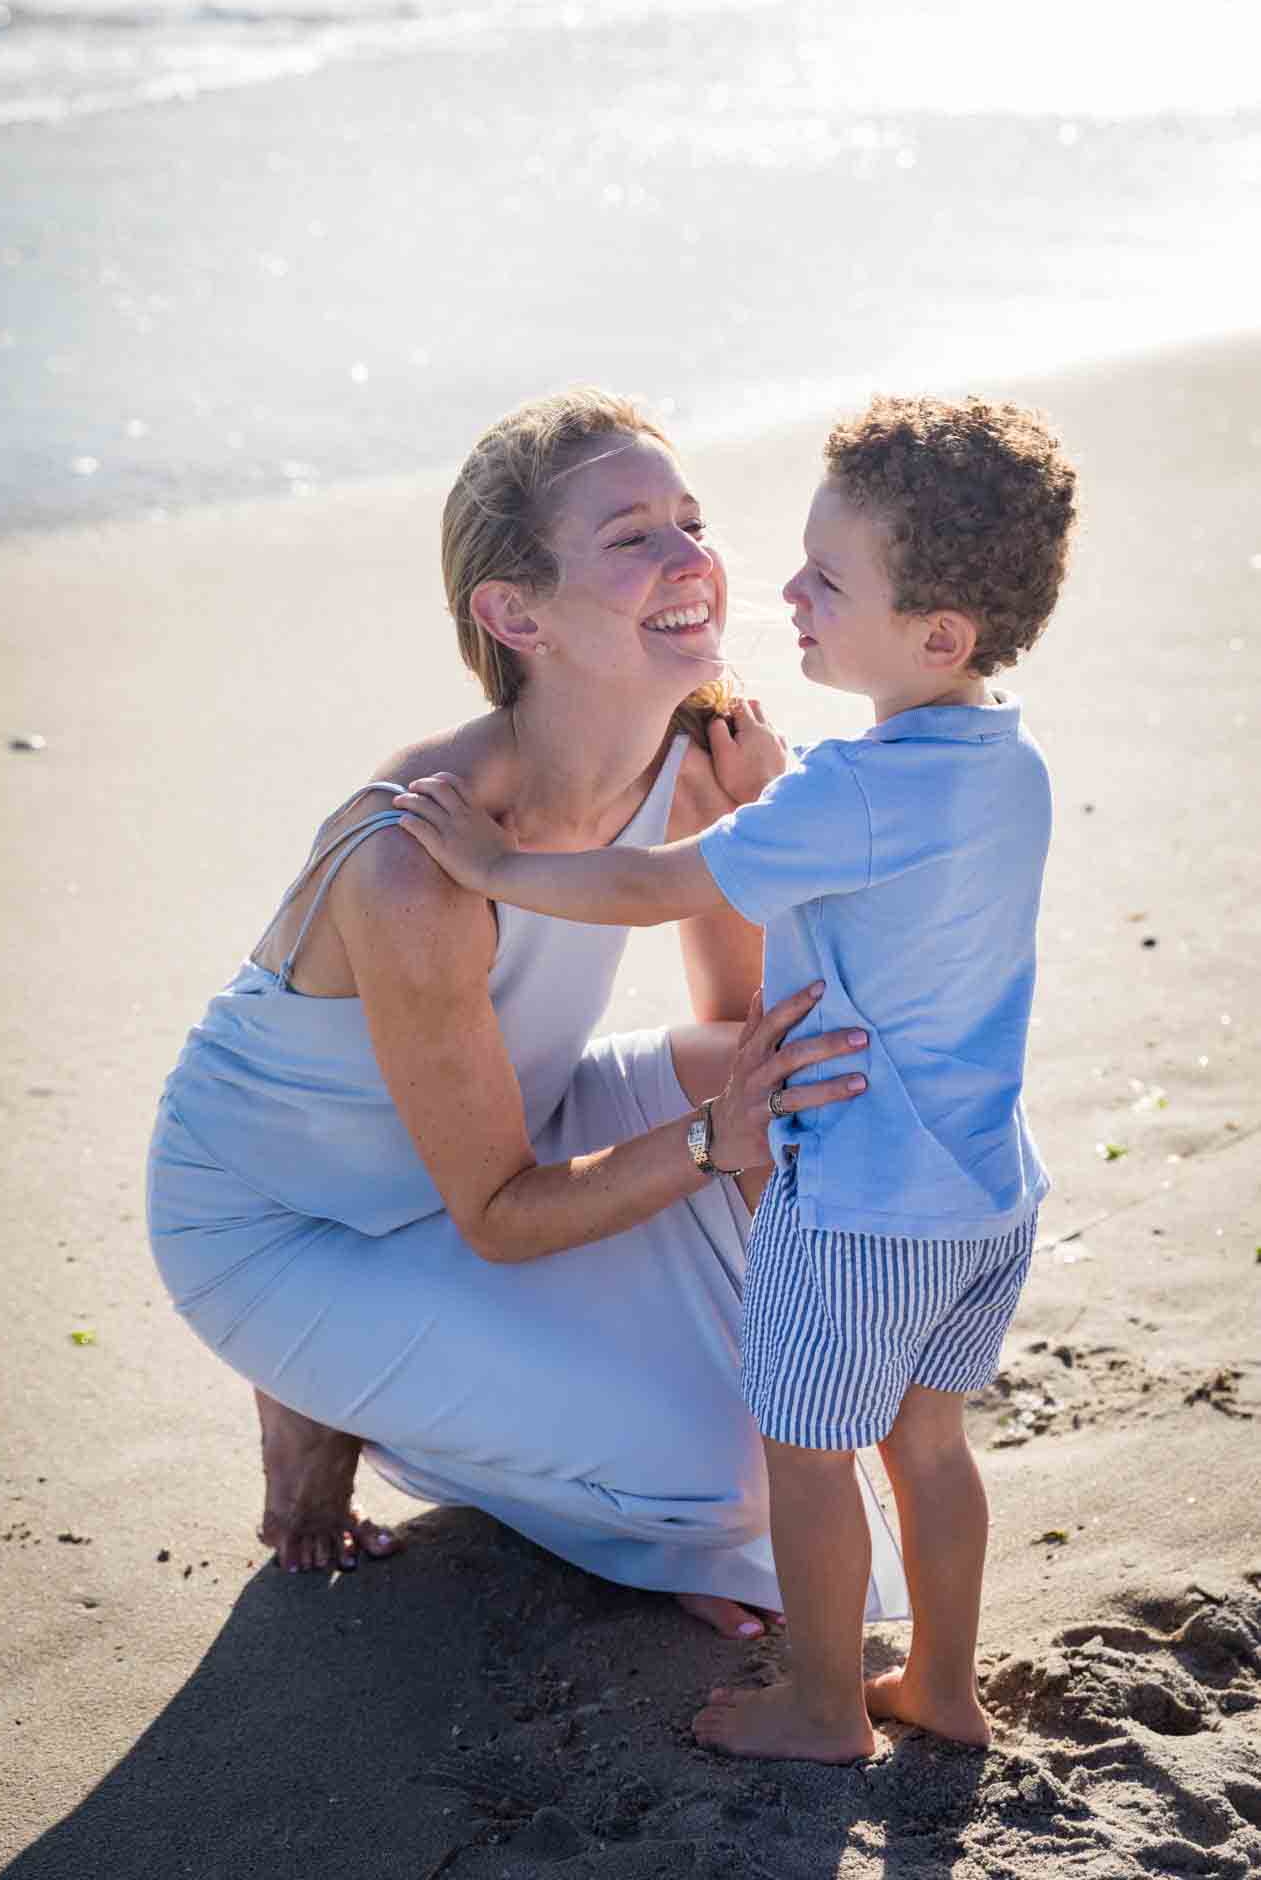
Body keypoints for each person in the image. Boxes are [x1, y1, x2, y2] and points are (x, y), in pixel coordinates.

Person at [146, 386, 909, 1640]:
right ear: (514, 613)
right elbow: (501, 1215)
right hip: (290, 1226)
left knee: (820, 1068)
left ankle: (477, 1378)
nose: (693, 562)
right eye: (631, 538)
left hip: (524, 1121)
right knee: (716, 1483)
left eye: (691, 520)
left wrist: (752, 841)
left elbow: (736, 1028)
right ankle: (314, 1385)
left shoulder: (696, 749)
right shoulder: (420, 856)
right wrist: (718, 1137)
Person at [393, 394, 1077, 1759]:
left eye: (827, 581)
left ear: (935, 635)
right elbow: (873, 834)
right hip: (983, 1196)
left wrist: (495, 870)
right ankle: (943, 1686)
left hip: (857, 1205)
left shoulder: (845, 799)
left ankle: (825, 1704)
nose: (783, 591)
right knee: (929, 1447)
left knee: (808, 1454)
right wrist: (782, 787)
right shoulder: (1004, 766)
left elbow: (658, 882)